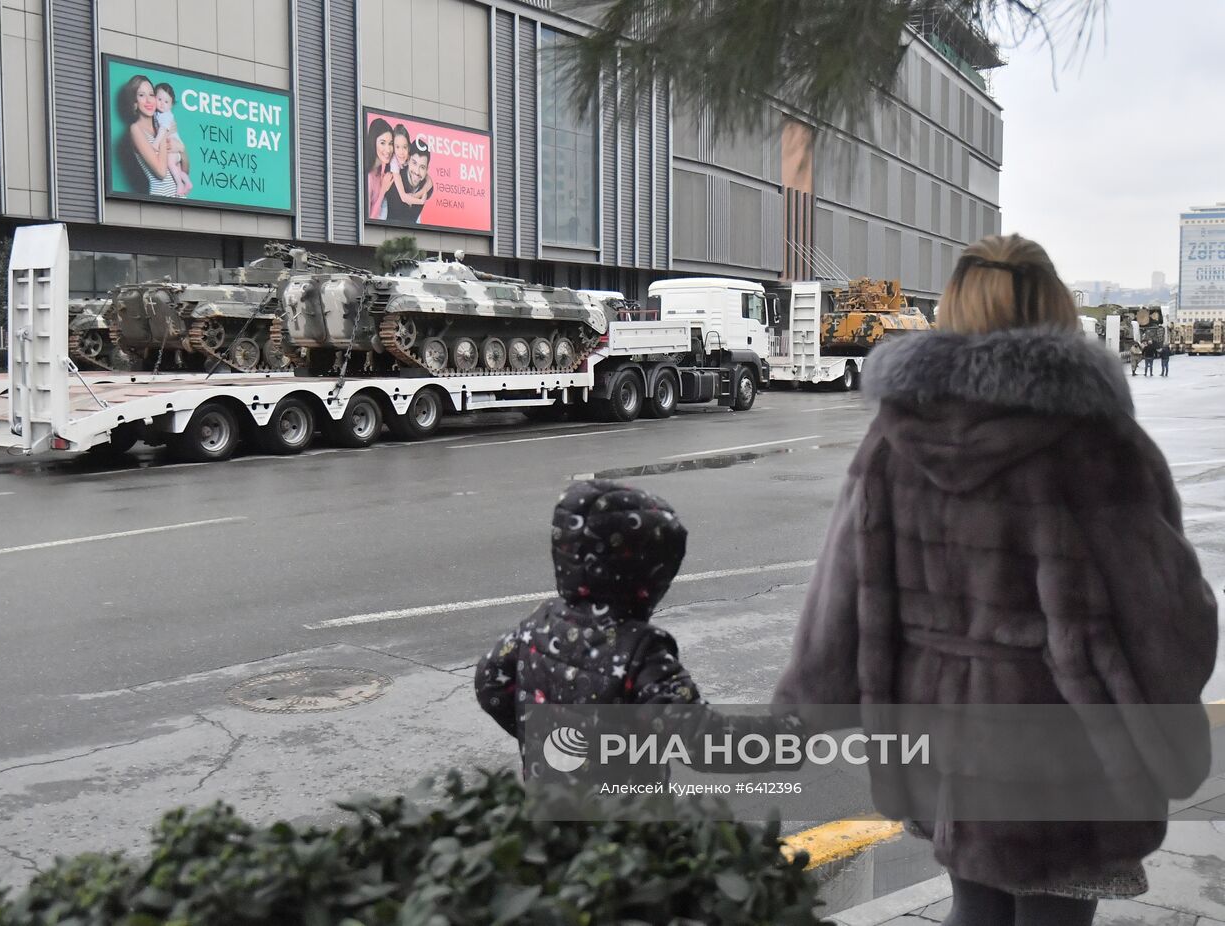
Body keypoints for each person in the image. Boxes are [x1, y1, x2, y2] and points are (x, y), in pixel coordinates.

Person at [773, 234, 1216, 926]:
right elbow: (1167, 614)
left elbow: (840, 593)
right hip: (1059, 740)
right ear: (1056, 310)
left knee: (974, 902)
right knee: (1054, 913)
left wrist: (808, 705)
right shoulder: (1095, 442)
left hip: (939, 731)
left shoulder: (896, 436)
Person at [476, 479, 802, 779]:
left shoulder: (540, 621)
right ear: (645, 577)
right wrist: (788, 736)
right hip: (626, 829)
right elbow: (702, 739)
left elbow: (490, 681)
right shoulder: (641, 650)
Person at [117, 74, 180, 198]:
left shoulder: (162, 122)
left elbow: (185, 167)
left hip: (179, 197)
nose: (149, 100)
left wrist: (180, 150)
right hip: (161, 198)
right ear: (134, 102)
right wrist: (164, 132)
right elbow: (161, 172)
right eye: (141, 95)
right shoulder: (135, 129)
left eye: (151, 95)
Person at [153, 83, 193, 196]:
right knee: (177, 168)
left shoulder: (166, 116)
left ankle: (180, 183)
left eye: (166, 102)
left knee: (171, 164)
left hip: (174, 148)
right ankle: (187, 182)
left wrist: (156, 143)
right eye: (159, 99)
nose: (161, 103)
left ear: (171, 105)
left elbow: (163, 130)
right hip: (175, 148)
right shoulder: (157, 114)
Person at [384, 139, 434, 225]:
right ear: (408, 160)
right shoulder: (393, 181)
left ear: (427, 170)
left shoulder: (427, 188)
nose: (417, 171)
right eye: (414, 163)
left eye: (422, 167)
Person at [364, 118, 395, 222]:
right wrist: (383, 190)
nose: (388, 149)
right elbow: (370, 219)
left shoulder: (381, 170)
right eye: (383, 143)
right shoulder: (368, 178)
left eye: (390, 143)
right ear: (373, 142)